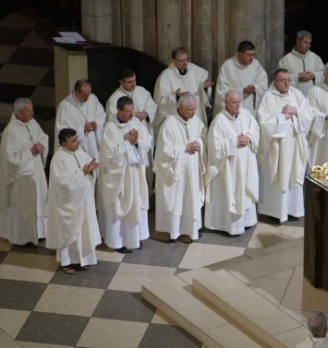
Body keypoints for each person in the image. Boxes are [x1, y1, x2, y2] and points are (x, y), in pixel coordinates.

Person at [256, 69, 314, 223]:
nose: (287, 83)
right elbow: (263, 123)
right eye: (282, 80)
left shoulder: (296, 94)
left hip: (294, 145)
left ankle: (293, 210)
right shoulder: (268, 97)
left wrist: (295, 111)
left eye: (289, 79)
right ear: (275, 81)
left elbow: (309, 114)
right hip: (276, 147)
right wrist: (282, 118)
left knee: (293, 174)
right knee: (277, 176)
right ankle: (274, 211)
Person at [98, 96, 153, 252]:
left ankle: (134, 238)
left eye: (132, 110)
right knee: (118, 207)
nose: (131, 114)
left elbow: (147, 141)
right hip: (119, 176)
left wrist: (136, 143)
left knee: (136, 204)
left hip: (134, 173)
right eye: (127, 111)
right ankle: (119, 241)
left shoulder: (136, 123)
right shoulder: (110, 128)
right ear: (119, 111)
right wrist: (126, 142)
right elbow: (107, 156)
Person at [0, 98, 49, 247]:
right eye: (29, 110)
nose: (33, 113)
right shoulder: (10, 131)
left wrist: (42, 146)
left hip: (35, 171)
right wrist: (30, 152)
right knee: (22, 206)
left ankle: (39, 232)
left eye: (32, 109)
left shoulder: (32, 123)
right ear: (19, 112)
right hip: (20, 177)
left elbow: (43, 137)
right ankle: (21, 237)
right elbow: (10, 159)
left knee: (38, 200)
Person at [205, 90, 260, 235]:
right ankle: (227, 225)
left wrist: (249, 137)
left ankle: (247, 221)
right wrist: (235, 141)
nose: (237, 105)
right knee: (231, 192)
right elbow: (214, 147)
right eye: (233, 102)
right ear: (226, 103)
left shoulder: (246, 114)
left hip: (245, 165)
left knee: (244, 190)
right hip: (228, 169)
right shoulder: (219, 121)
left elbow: (255, 128)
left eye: (239, 102)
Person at [46, 128, 101, 274]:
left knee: (83, 231)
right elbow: (63, 184)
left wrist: (91, 169)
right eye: (74, 141)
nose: (78, 142)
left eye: (77, 139)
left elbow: (88, 165)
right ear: (64, 143)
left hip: (83, 201)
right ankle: (66, 262)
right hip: (68, 205)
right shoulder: (59, 159)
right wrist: (83, 172)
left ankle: (81, 260)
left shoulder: (79, 151)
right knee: (68, 232)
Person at [153, 93, 205, 242]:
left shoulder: (195, 121)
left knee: (190, 199)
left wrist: (199, 144)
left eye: (195, 109)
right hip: (176, 173)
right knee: (177, 201)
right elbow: (163, 151)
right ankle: (174, 232)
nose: (193, 112)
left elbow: (204, 136)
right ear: (180, 108)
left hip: (192, 171)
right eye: (190, 109)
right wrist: (184, 148)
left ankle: (191, 230)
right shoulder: (169, 123)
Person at [155, 47, 212, 128]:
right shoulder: (165, 76)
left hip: (194, 114)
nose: (185, 63)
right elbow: (159, 99)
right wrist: (176, 96)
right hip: (176, 117)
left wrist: (204, 87)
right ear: (173, 61)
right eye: (181, 61)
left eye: (186, 59)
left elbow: (201, 86)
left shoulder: (193, 69)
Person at [215, 40, 269, 116]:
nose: (252, 58)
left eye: (253, 54)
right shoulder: (227, 66)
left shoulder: (256, 64)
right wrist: (242, 91)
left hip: (251, 108)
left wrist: (255, 88)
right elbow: (221, 90)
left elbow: (263, 85)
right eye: (249, 55)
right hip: (234, 109)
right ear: (240, 54)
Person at [56, 79, 104, 164]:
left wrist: (96, 124)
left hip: (92, 143)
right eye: (84, 95)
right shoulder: (65, 106)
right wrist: (83, 130)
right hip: (77, 146)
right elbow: (62, 131)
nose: (87, 97)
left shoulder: (93, 99)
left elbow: (101, 115)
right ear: (76, 92)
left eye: (89, 94)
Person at [277, 30, 323, 96]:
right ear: (298, 41)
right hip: (293, 97)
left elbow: (324, 74)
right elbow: (280, 79)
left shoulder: (315, 58)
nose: (308, 46)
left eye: (309, 43)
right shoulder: (286, 60)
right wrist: (298, 76)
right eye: (305, 43)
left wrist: (314, 75)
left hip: (313, 97)